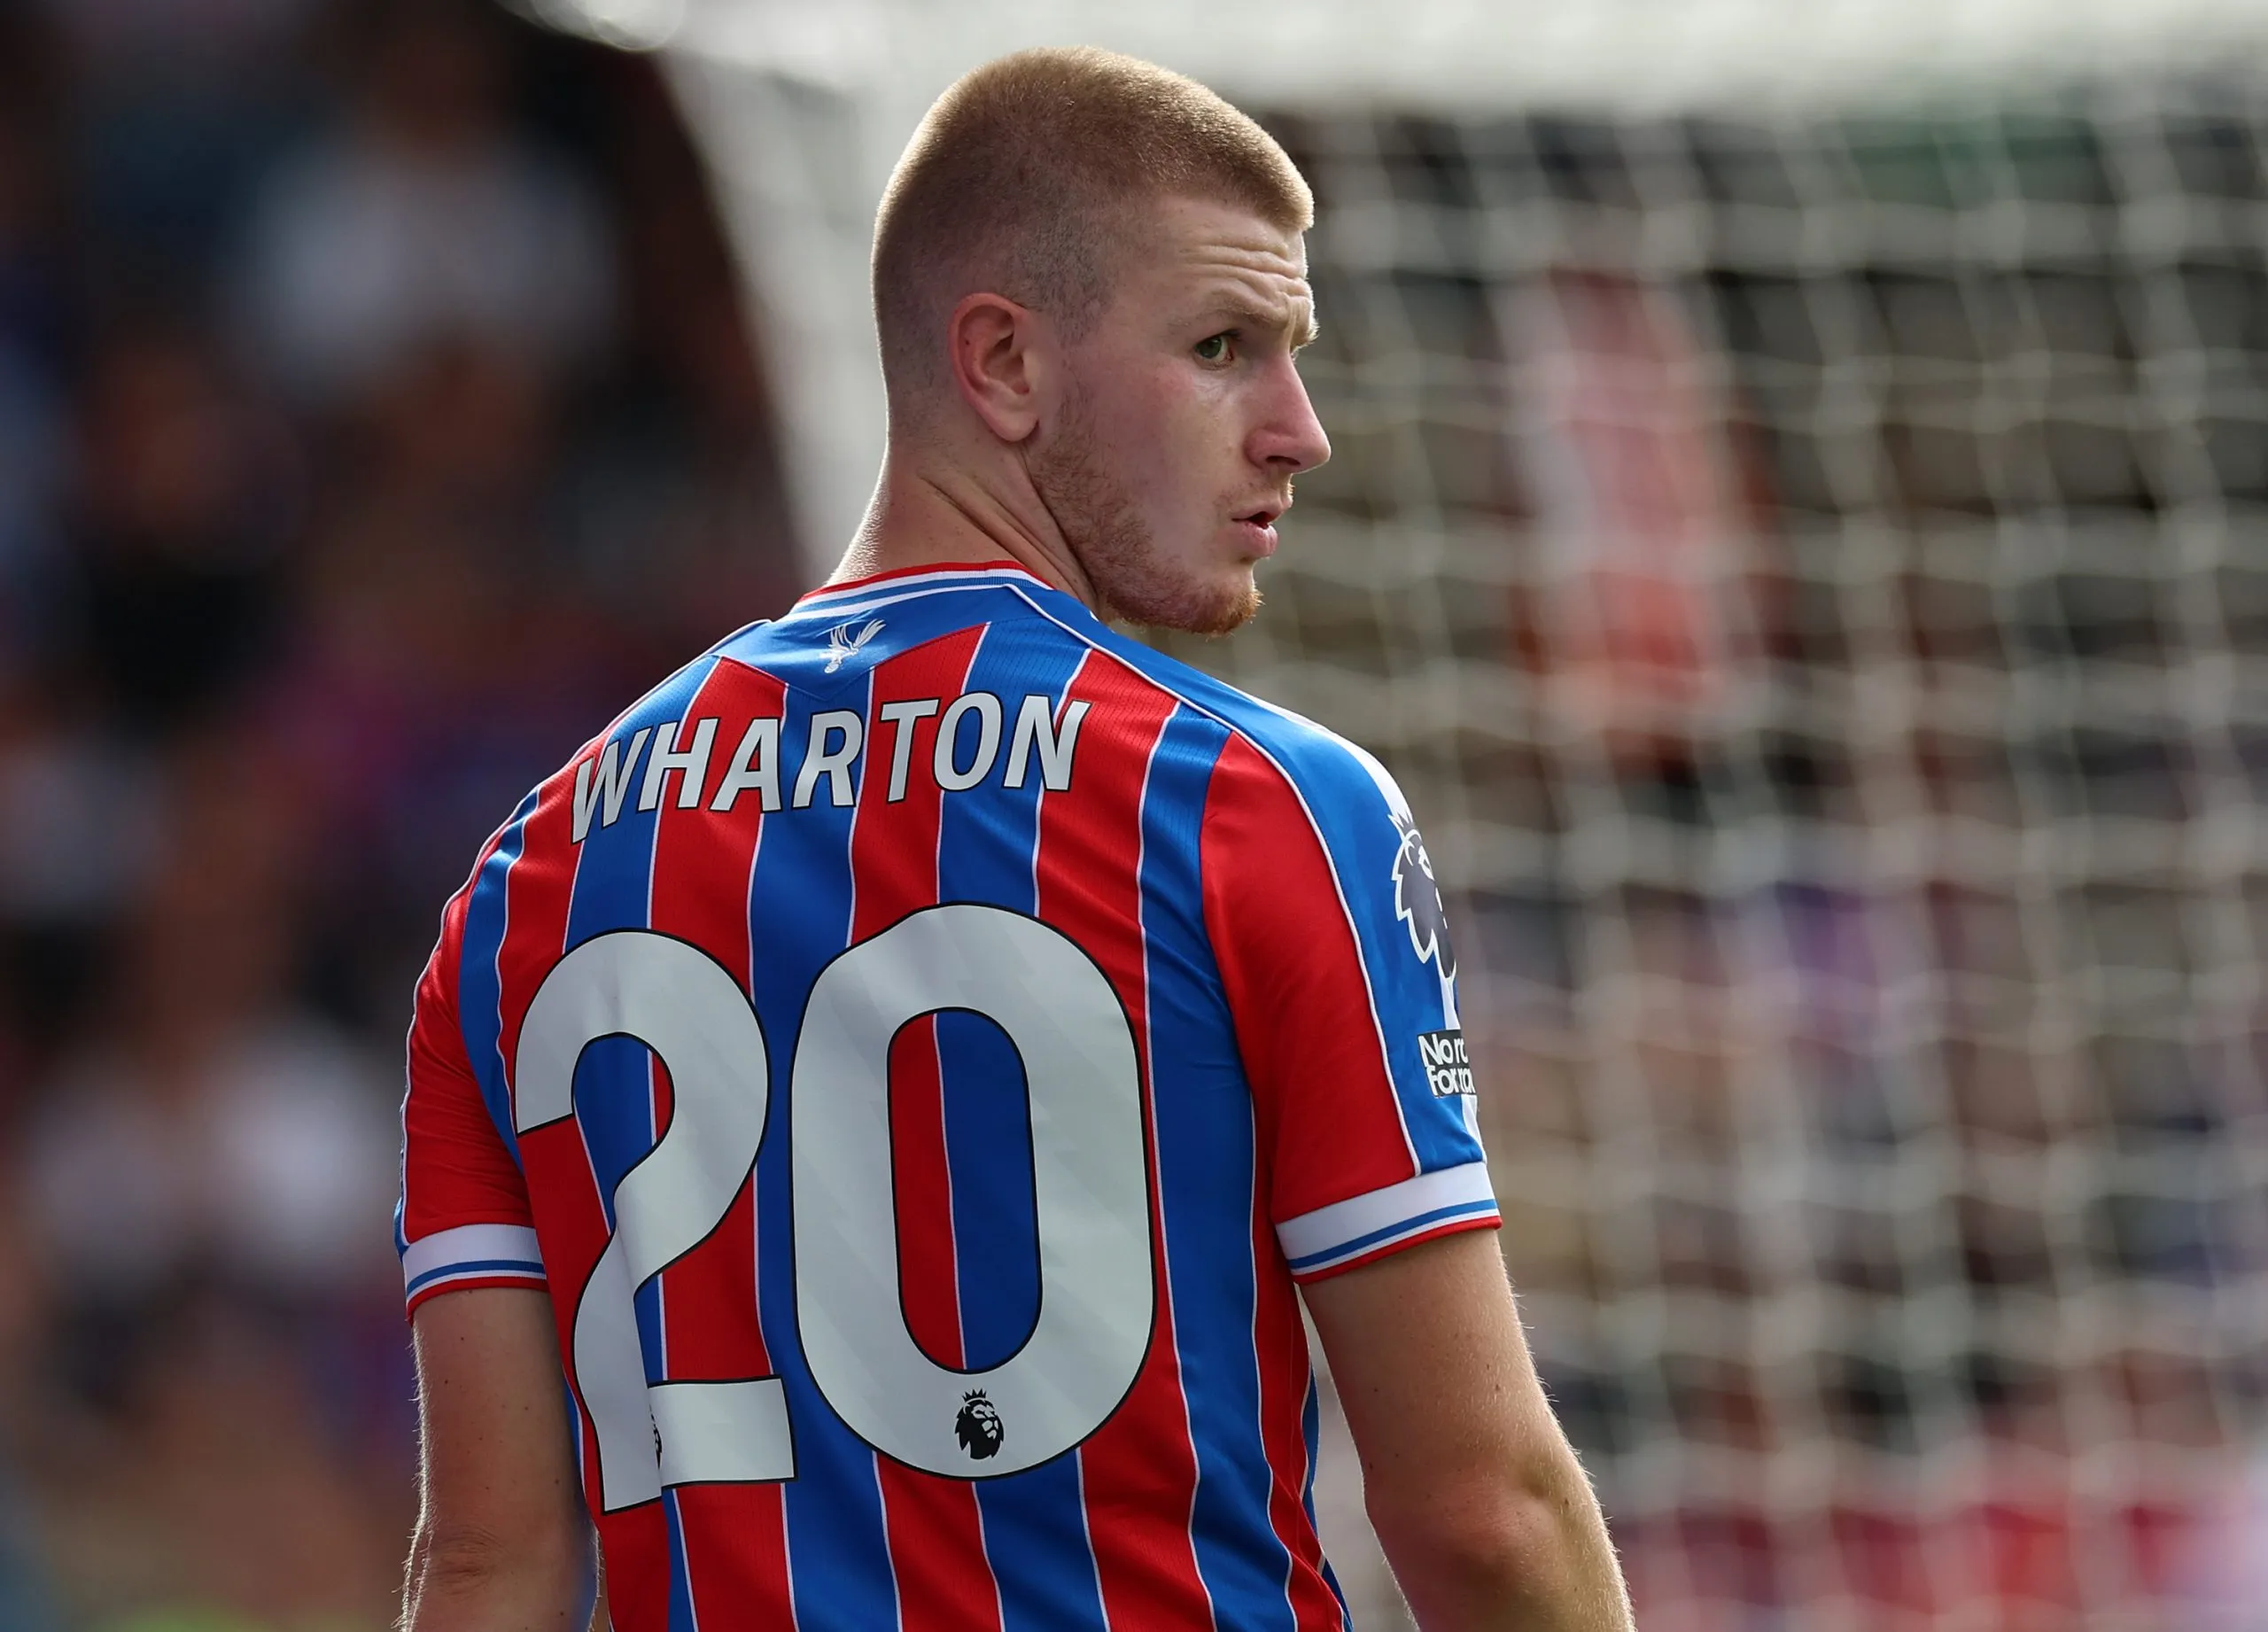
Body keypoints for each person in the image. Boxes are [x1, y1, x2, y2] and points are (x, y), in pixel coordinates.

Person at [394, 46, 1633, 1632]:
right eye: (1222, 346)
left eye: (1293, 355)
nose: (1300, 430)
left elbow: (487, 1565)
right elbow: (1484, 1514)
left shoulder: (528, 879)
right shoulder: (1254, 806)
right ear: (1003, 364)